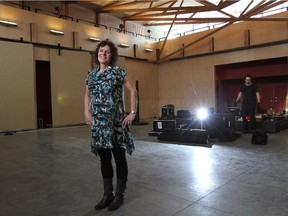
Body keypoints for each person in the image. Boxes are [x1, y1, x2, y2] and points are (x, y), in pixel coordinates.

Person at [84, 40, 137, 211]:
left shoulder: (117, 72)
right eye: (101, 51)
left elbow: (133, 90)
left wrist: (133, 112)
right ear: (97, 53)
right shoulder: (91, 75)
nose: (103, 54)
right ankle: (108, 194)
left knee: (119, 158)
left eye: (107, 52)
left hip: (116, 124)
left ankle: (119, 195)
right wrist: (87, 112)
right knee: (105, 160)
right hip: (99, 125)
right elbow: (87, 95)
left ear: (111, 55)